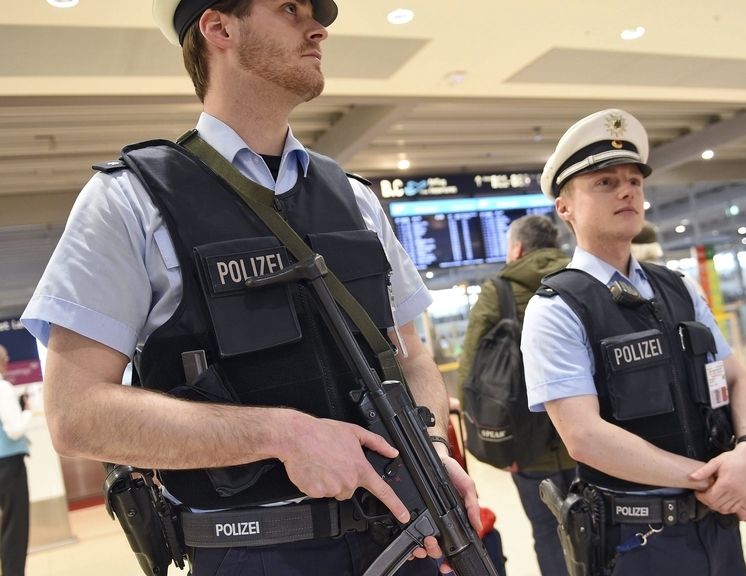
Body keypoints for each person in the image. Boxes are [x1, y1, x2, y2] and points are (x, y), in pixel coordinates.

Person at [20, 1, 479, 575]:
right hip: (257, 552)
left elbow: (409, 354)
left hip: (404, 533)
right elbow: (74, 414)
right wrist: (280, 434)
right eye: (290, 8)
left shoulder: (354, 198)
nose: (319, 27)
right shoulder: (131, 202)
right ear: (219, 27)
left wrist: (428, 453)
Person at [521, 108, 746, 575]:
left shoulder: (678, 287)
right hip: (638, 541)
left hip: (717, 523)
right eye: (605, 182)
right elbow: (584, 437)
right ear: (565, 207)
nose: (627, 190)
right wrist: (706, 478)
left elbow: (735, 376)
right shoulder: (557, 307)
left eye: (634, 179)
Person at [459, 214, 574, 576]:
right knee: (600, 525)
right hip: (590, 439)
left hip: (526, 447)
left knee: (548, 531)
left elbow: (471, 374)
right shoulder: (583, 280)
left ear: (518, 249)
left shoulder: (500, 290)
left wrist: (497, 443)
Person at [0, 345, 32, 576]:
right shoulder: (2, 388)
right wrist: (27, 411)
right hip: (8, 465)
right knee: (15, 526)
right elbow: (14, 430)